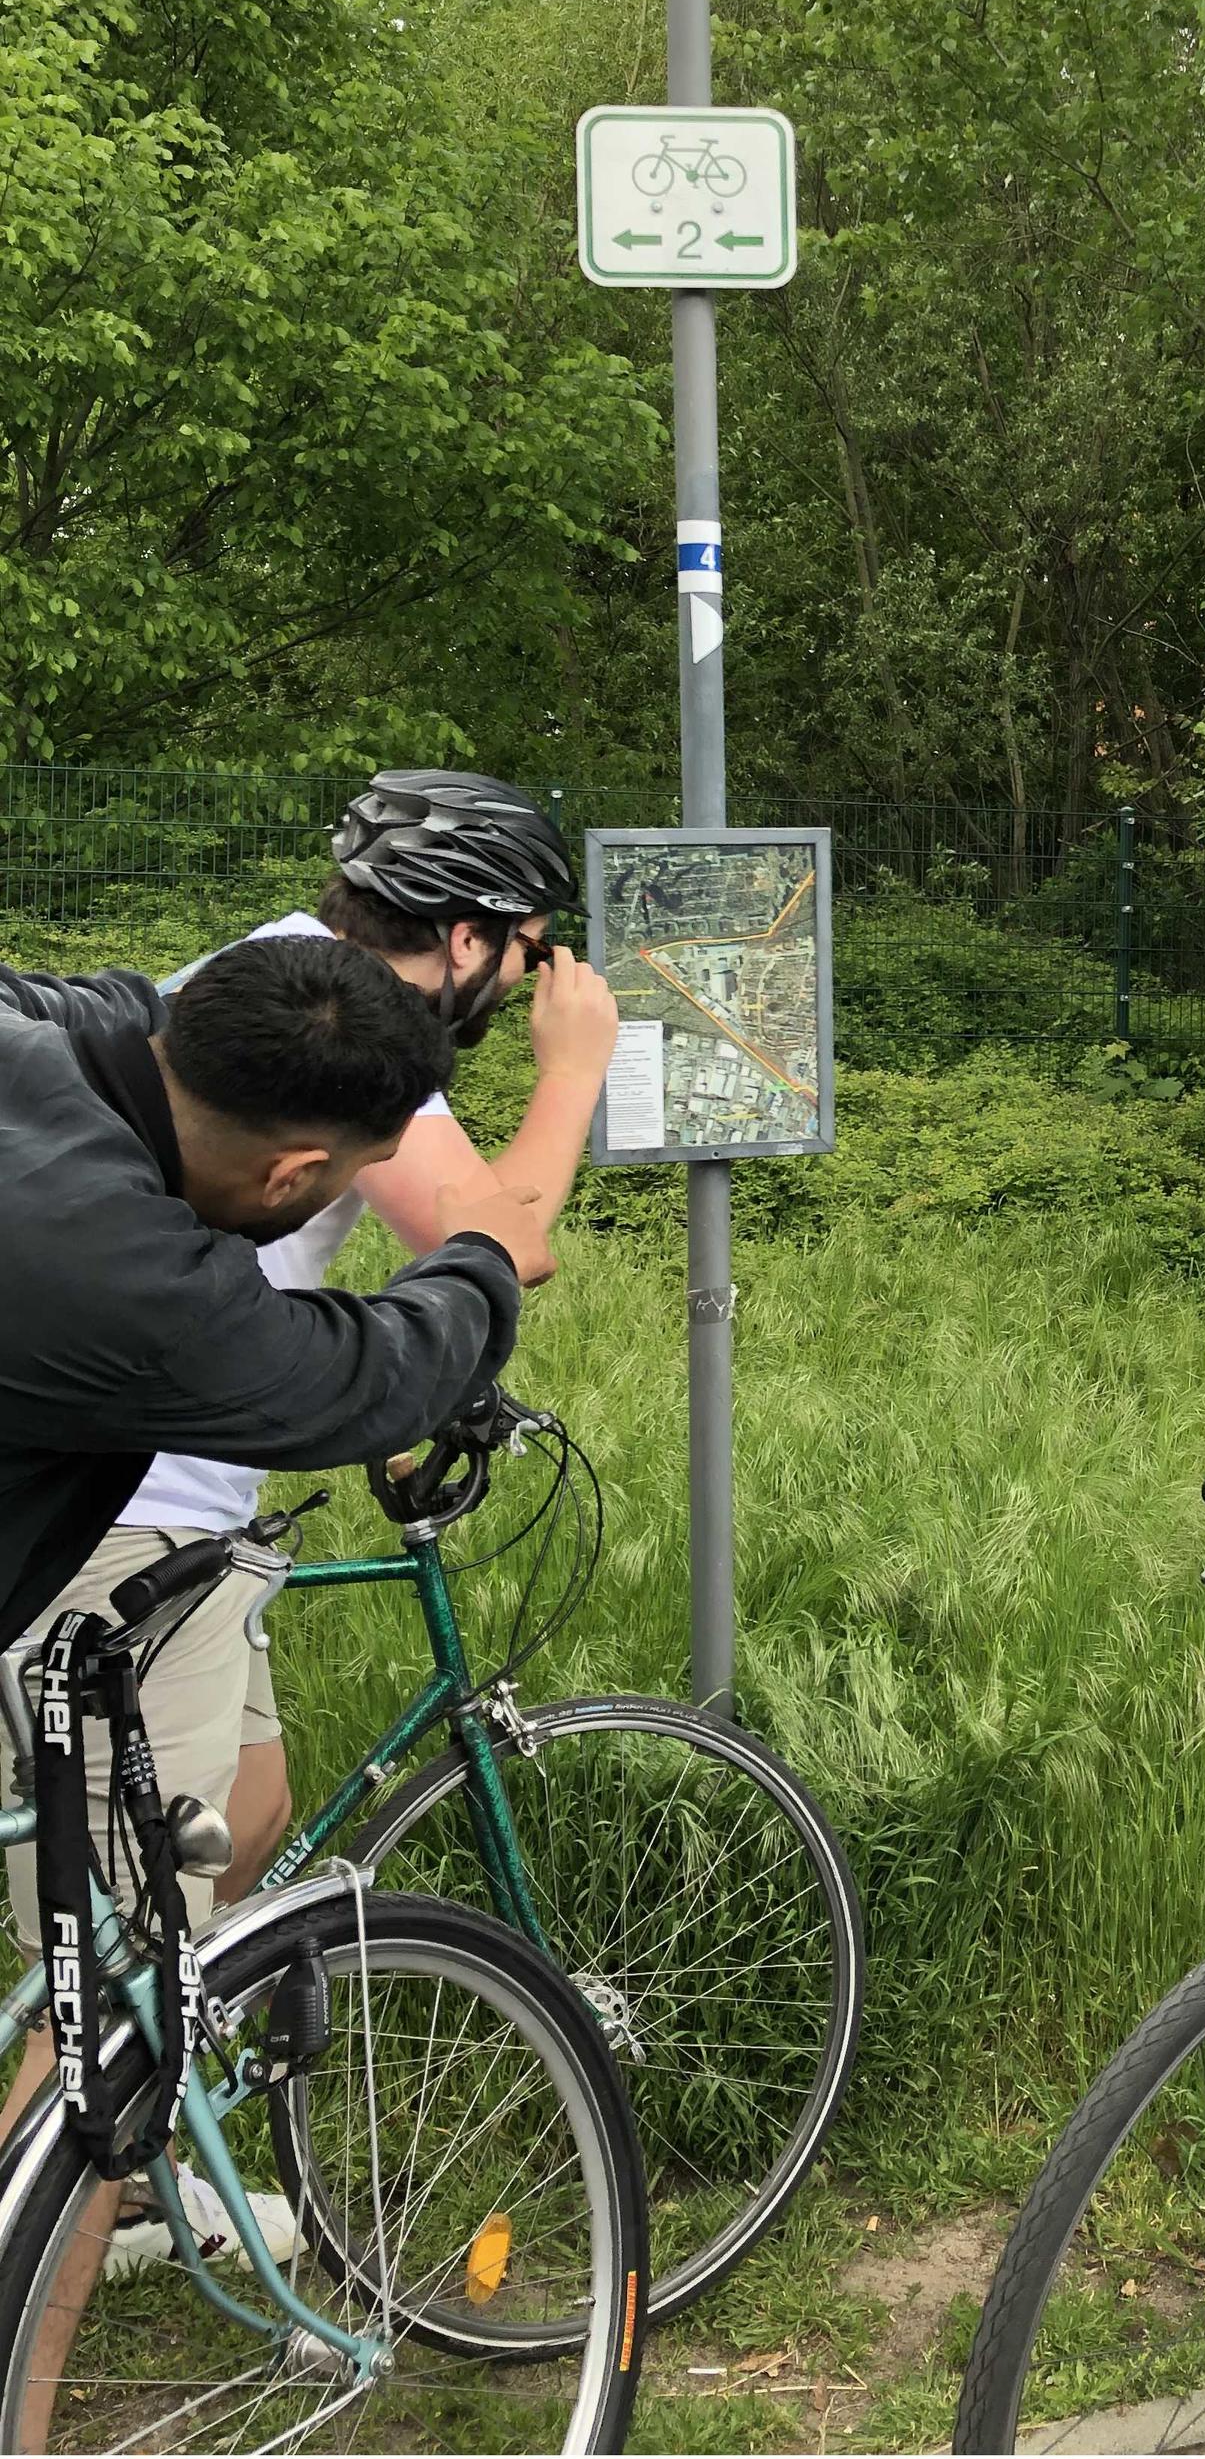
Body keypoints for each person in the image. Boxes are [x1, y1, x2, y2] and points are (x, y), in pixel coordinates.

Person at [5, 771, 615, 2266]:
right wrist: (575, 1066)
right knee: (122, 1979)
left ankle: (134, 2182)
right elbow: (501, 1248)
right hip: (139, 1525)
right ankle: (46, 2228)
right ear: (472, 942)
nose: (525, 979)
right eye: (527, 946)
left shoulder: (277, 992)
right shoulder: (353, 1051)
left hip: (196, 1507)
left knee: (254, 1809)